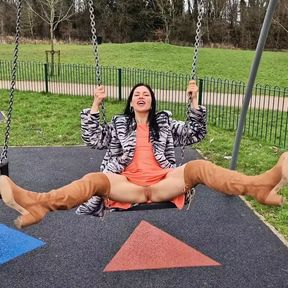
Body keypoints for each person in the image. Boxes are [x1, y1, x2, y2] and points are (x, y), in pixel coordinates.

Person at [0, 81, 286, 229]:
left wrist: (195, 103)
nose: (141, 96)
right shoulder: (118, 124)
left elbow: (195, 135)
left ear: (151, 101)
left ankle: (258, 186)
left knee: (198, 167)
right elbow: (93, 138)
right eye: (136, 93)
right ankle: (39, 204)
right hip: (127, 186)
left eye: (146, 94)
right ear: (131, 102)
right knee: (94, 179)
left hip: (165, 183)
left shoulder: (164, 124)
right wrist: (96, 105)